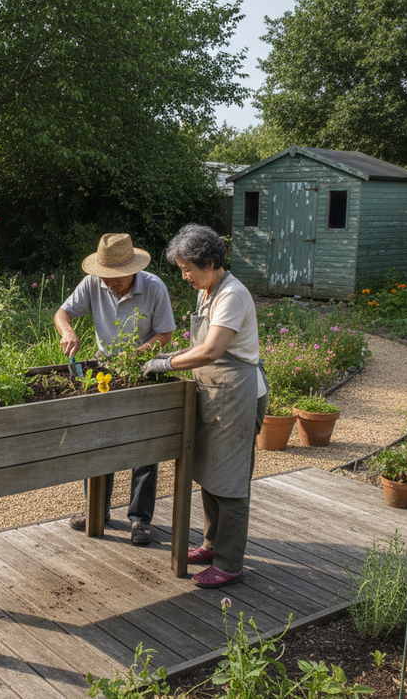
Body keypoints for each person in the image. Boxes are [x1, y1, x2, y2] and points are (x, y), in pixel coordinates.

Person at [142, 223, 266, 587]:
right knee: (211, 474)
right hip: (215, 393)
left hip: (238, 396)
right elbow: (200, 346)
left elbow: (212, 350)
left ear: (209, 262)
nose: (184, 276)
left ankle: (229, 564)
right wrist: (169, 356)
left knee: (231, 482)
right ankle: (212, 545)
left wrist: (165, 365)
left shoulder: (232, 295)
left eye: (187, 269)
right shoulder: (208, 291)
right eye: (181, 269)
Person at [55, 232, 176, 545]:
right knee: (98, 441)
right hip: (104, 372)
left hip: (142, 372)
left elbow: (165, 334)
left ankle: (140, 520)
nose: (109, 283)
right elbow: (62, 313)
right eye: (105, 277)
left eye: (115, 278)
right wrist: (68, 331)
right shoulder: (94, 283)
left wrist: (137, 354)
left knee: (144, 448)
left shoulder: (154, 287)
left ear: (132, 270)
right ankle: (98, 510)